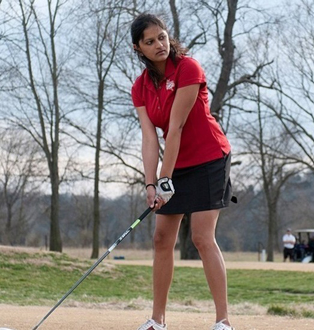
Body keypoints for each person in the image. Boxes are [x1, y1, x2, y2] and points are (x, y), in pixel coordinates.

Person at [130, 13, 234, 330]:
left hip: (208, 158)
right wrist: (151, 185)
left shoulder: (188, 67)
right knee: (162, 239)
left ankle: (223, 320)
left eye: (161, 37)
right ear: (139, 49)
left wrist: (164, 180)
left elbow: (175, 129)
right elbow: (150, 138)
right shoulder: (141, 87)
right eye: (150, 41)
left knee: (202, 237)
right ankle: (157, 320)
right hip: (174, 166)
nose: (159, 44)